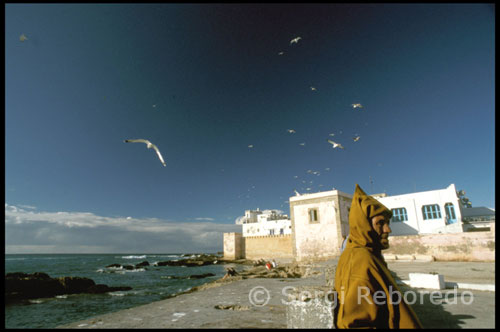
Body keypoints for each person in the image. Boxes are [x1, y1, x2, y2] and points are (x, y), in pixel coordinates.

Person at [333, 184, 423, 328]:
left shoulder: (368, 254)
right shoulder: (360, 259)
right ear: (364, 225)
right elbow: (355, 323)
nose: (388, 229)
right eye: (380, 223)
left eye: (387, 223)